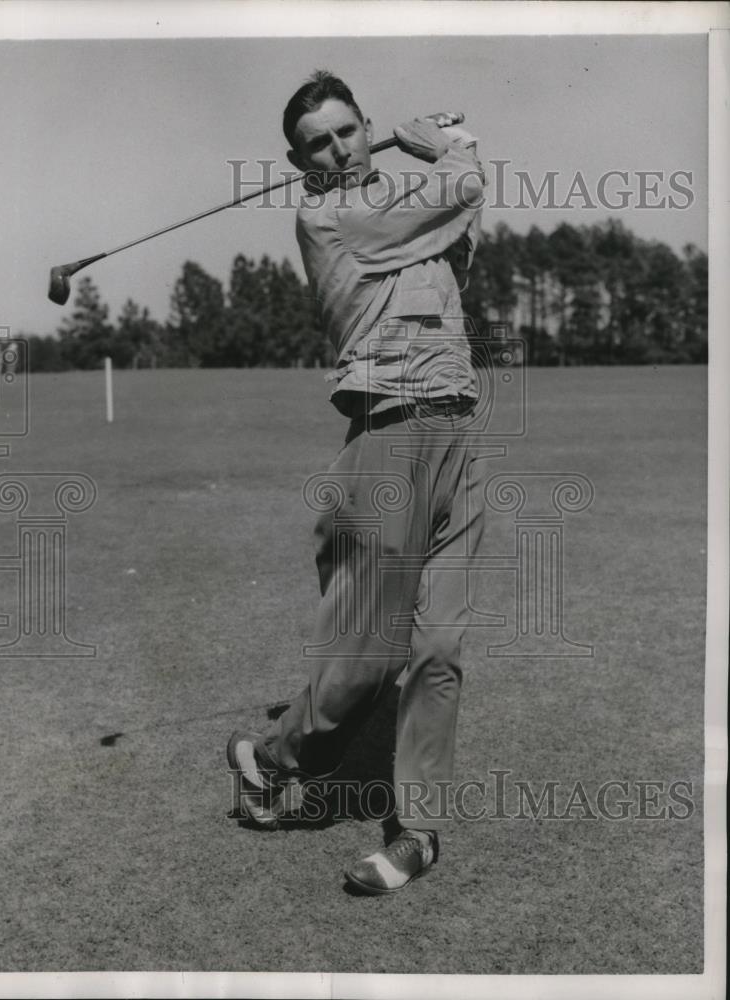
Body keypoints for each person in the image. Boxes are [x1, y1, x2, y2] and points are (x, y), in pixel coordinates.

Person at [228, 70, 487, 895]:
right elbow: (461, 190)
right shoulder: (330, 214)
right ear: (299, 161)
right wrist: (444, 145)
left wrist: (445, 161)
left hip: (458, 432)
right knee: (371, 658)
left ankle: (418, 833)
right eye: (318, 142)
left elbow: (460, 232)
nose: (338, 149)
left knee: (440, 648)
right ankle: (274, 759)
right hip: (386, 435)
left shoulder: (398, 213)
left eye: (347, 131)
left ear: (364, 128)